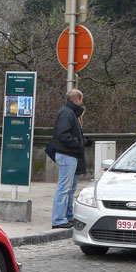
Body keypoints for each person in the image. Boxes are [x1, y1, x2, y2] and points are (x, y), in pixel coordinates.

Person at [50, 88, 87, 228]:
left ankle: (67, 216)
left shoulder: (68, 112)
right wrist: (78, 143)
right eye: (81, 100)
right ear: (77, 99)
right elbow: (63, 134)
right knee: (64, 188)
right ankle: (58, 219)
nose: (81, 103)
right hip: (68, 154)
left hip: (69, 154)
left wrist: (83, 141)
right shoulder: (67, 113)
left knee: (70, 188)